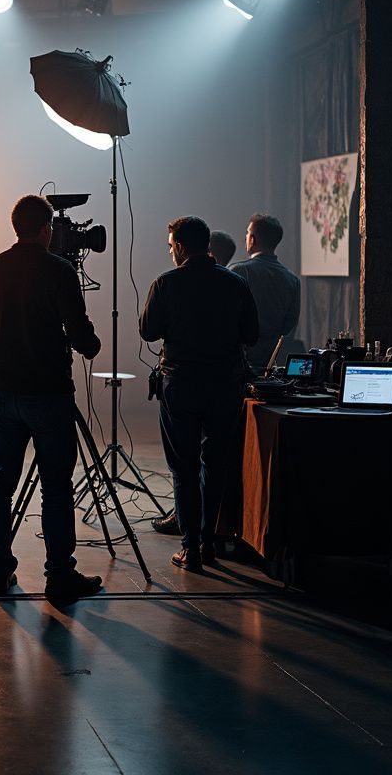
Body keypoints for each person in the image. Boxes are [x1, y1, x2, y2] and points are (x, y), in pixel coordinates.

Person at [0, 194, 103, 605]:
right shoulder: (58, 270)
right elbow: (81, 337)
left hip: (5, 393)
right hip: (50, 394)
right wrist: (90, 344)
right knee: (57, 488)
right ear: (46, 230)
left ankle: (0, 571)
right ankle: (60, 576)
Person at [140, 216, 258, 572]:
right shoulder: (235, 283)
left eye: (170, 245)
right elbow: (251, 335)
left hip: (180, 384)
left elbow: (148, 331)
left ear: (178, 246)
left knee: (183, 466)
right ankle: (209, 542)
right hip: (223, 385)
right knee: (215, 464)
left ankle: (190, 549)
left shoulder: (166, 283)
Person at [229, 213, 301, 374]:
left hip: (237, 364)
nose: (246, 237)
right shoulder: (292, 280)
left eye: (248, 233)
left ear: (252, 239)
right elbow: (290, 326)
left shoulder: (238, 271)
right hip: (272, 365)